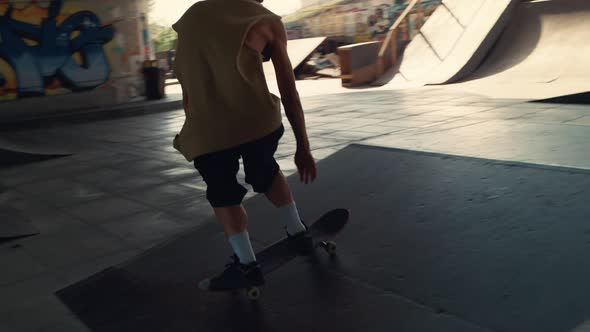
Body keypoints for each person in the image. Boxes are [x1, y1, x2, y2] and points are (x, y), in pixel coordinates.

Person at [172, 0, 317, 291]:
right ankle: (298, 233)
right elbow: (289, 88)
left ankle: (247, 264)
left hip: (209, 129)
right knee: (266, 170)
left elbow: (187, 80)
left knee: (223, 193)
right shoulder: (268, 21)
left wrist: (196, 124)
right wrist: (303, 146)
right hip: (259, 123)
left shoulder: (192, 16)